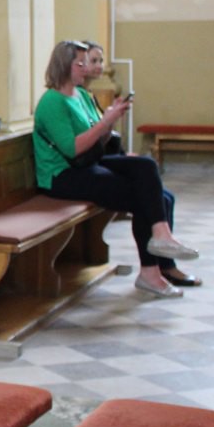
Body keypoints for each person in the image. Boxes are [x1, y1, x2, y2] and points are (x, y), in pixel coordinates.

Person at [32, 40, 198, 298]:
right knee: (144, 198)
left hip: (89, 162)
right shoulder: (53, 101)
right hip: (62, 175)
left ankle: (161, 239)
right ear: (64, 65)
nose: (86, 67)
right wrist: (105, 122)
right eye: (81, 63)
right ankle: (151, 272)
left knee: (146, 167)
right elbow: (72, 149)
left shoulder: (81, 95)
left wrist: (111, 119)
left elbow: (98, 139)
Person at [78, 42, 198, 288]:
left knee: (166, 197)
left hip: (97, 158)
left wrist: (117, 139)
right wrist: (108, 122)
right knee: (147, 193)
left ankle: (164, 264)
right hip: (83, 166)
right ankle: (156, 268)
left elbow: (101, 138)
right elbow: (81, 143)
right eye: (92, 61)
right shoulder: (70, 98)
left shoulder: (87, 96)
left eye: (100, 61)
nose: (98, 66)